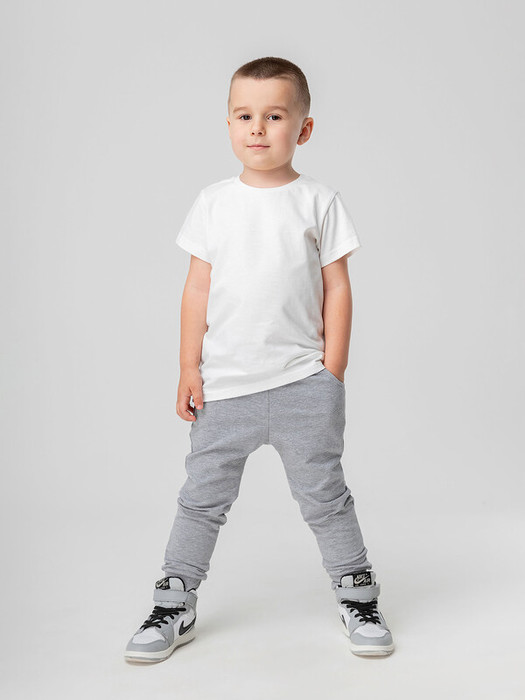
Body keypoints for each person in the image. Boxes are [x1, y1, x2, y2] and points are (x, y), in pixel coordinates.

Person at [124, 56, 394, 664]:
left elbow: (338, 287)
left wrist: (333, 372)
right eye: (244, 116)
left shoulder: (319, 201)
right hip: (225, 388)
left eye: (274, 116)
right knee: (201, 500)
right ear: (228, 124)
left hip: (304, 385)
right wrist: (188, 367)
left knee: (325, 497)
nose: (257, 128)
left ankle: (358, 595)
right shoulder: (213, 203)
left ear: (303, 128)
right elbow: (196, 289)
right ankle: (175, 602)